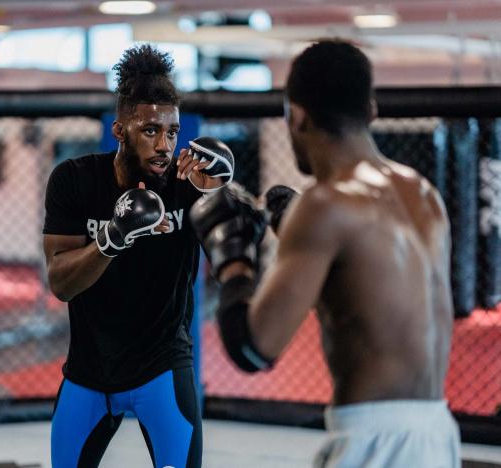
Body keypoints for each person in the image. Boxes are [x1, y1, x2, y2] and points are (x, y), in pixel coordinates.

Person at [190, 39, 461, 468]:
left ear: (295, 117)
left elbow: (253, 348)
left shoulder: (325, 206)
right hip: (439, 433)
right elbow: (367, 295)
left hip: (375, 443)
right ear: (370, 110)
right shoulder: (423, 193)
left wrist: (232, 252)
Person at [43, 44, 234, 468]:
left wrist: (225, 192)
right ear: (119, 129)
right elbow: (60, 282)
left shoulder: (190, 183)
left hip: (162, 369)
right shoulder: (74, 181)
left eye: (172, 131)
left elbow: (239, 250)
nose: (165, 145)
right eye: (150, 130)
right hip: (89, 373)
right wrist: (115, 236)